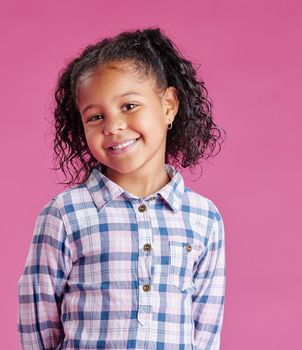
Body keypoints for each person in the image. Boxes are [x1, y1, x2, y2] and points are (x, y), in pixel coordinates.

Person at [17, 27, 226, 350]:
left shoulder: (204, 218)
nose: (112, 126)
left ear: (168, 105)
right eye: (96, 116)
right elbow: (37, 321)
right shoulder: (65, 214)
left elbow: (206, 332)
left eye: (129, 106)